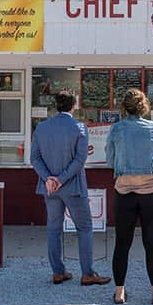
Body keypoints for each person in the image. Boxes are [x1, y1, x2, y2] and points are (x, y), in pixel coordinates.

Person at [30, 89, 111, 287]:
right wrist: (61, 178)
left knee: (53, 229)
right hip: (73, 187)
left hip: (49, 188)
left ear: (56, 105)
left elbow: (35, 158)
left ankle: (58, 272)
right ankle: (87, 273)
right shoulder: (79, 128)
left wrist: (50, 178)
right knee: (84, 228)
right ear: (73, 106)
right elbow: (79, 160)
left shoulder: (42, 127)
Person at [105, 89, 153, 305]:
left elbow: (110, 159)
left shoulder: (116, 129)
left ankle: (119, 292)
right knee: (152, 243)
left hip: (124, 191)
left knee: (122, 243)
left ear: (123, 107)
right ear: (144, 107)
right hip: (151, 190)